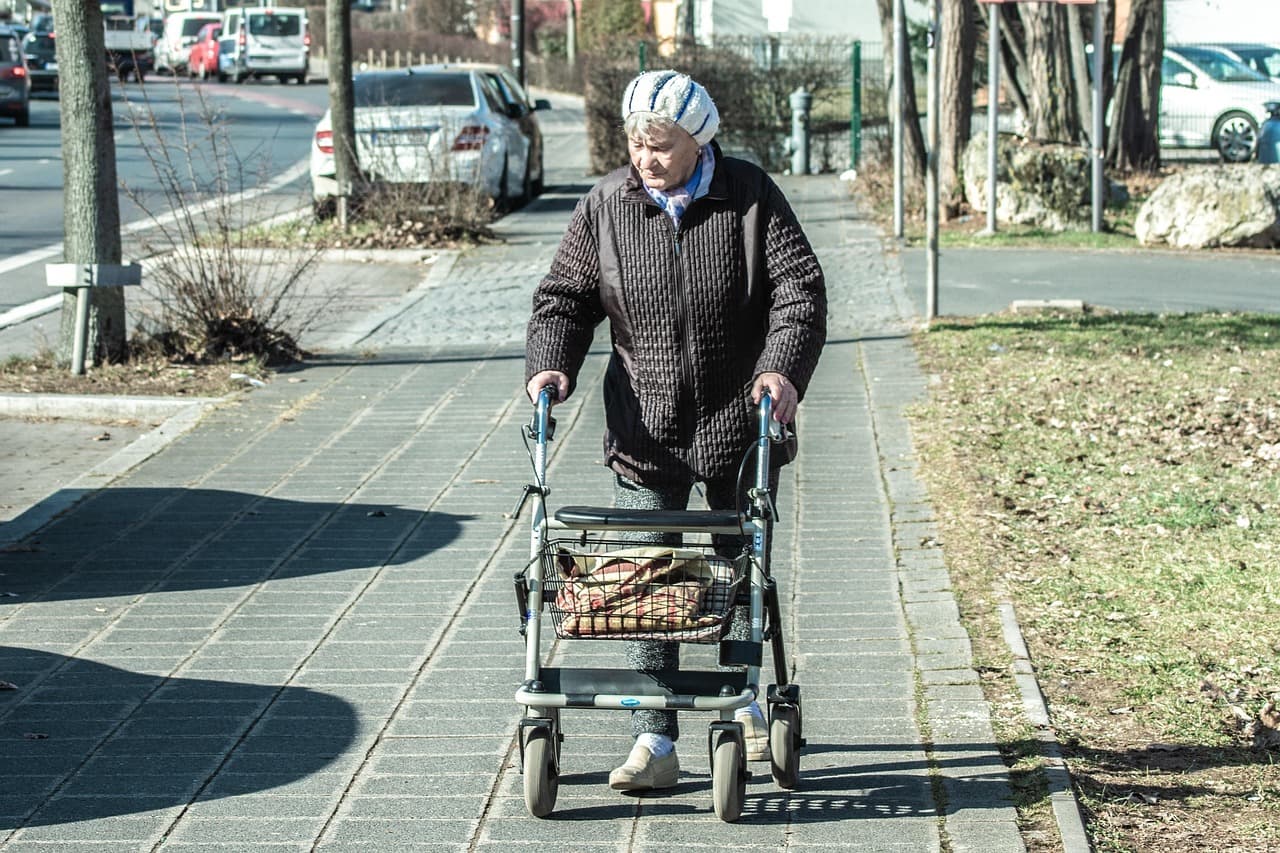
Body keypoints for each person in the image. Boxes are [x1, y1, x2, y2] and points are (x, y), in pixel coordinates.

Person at [524, 69, 827, 793]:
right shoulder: (607, 204)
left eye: (660, 145)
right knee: (646, 578)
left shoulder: (750, 196)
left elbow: (799, 292)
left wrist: (781, 370)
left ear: (699, 141)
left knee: (736, 567)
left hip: (739, 422)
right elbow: (564, 299)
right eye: (636, 143)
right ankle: (654, 737)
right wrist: (550, 364)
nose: (646, 158)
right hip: (645, 424)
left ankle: (741, 703)